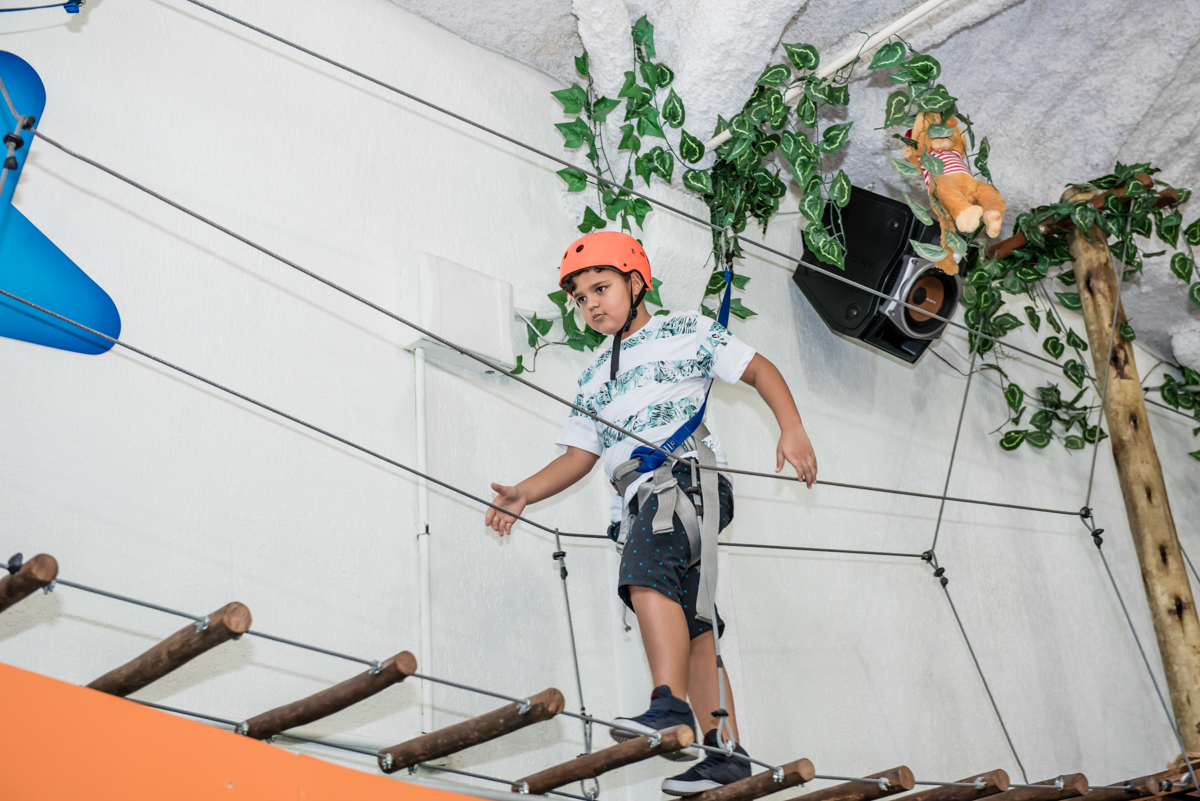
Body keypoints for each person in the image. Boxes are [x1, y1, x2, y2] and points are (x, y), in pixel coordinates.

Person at [485, 231, 816, 796]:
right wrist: (525, 492)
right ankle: (726, 752)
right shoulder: (593, 377)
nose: (591, 303)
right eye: (581, 297)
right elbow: (578, 457)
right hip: (642, 499)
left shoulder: (684, 330)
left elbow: (759, 369)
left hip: (686, 478)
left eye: (602, 288)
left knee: (643, 573)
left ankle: (668, 708)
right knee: (694, 625)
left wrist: (792, 427)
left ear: (637, 284)